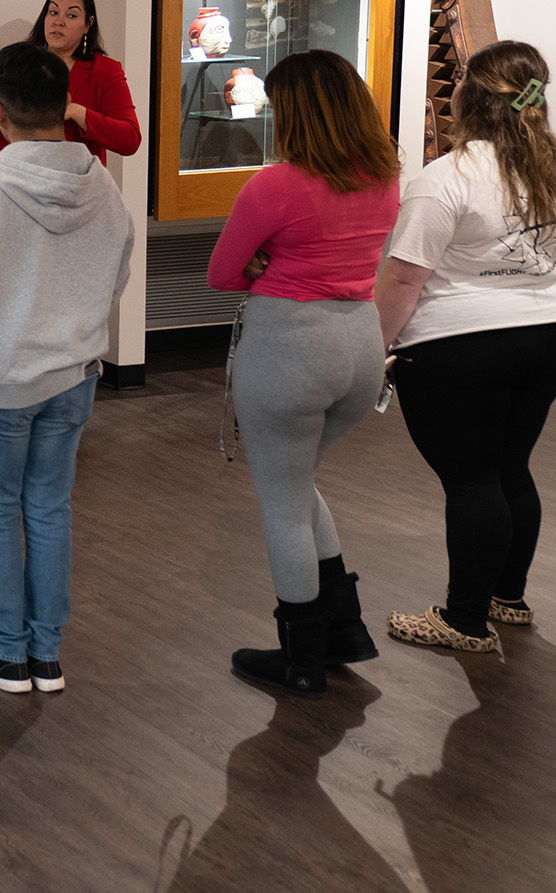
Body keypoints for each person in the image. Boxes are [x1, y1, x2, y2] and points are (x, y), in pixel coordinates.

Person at [0, 42, 133, 696]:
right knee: (49, 508)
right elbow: (117, 273)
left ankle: (8, 652)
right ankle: (46, 654)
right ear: (65, 104)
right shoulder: (101, 186)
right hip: (75, 375)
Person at [207, 49, 399, 699]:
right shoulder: (385, 178)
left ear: (296, 111)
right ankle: (344, 630)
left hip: (291, 350)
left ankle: (301, 658)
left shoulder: (274, 186)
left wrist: (262, 261)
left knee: (283, 504)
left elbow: (222, 273)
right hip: (360, 346)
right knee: (296, 484)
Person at [375, 40, 556, 654]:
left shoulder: (444, 178)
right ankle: (507, 598)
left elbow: (404, 278)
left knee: (473, 479)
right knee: (510, 468)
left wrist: (374, 349)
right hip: (546, 339)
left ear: (468, 99)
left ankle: (465, 621)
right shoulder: (553, 169)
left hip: (459, 348)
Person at [0, 0, 138, 442]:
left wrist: (76, 113)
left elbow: (129, 137)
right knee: (3, 299)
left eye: (71, 13)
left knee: (56, 305)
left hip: (74, 202)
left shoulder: (104, 70)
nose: (58, 21)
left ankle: (51, 401)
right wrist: (18, 104)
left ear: (88, 25)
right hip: (17, 196)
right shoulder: (19, 64)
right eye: (52, 11)